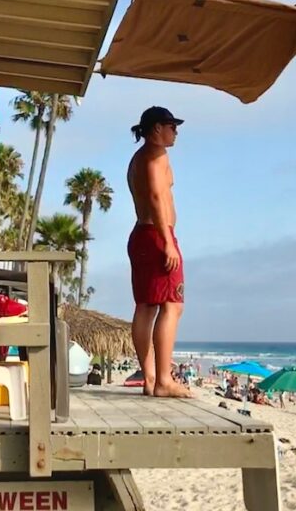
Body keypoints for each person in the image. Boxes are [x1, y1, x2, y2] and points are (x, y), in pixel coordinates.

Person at [127, 106, 189, 398]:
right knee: (172, 304)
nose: (175, 131)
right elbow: (154, 196)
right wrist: (167, 240)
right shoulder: (154, 157)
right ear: (155, 129)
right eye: (171, 126)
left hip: (143, 234)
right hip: (155, 235)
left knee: (146, 306)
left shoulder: (138, 159)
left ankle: (150, 379)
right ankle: (163, 380)